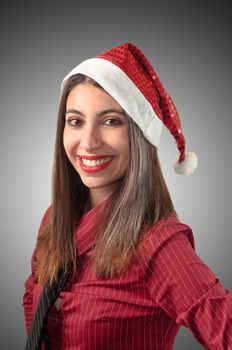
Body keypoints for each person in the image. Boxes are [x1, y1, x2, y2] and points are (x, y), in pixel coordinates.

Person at [22, 42, 232, 349]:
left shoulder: (158, 243)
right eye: (75, 121)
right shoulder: (55, 218)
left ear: (138, 135)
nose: (89, 142)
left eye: (111, 121)